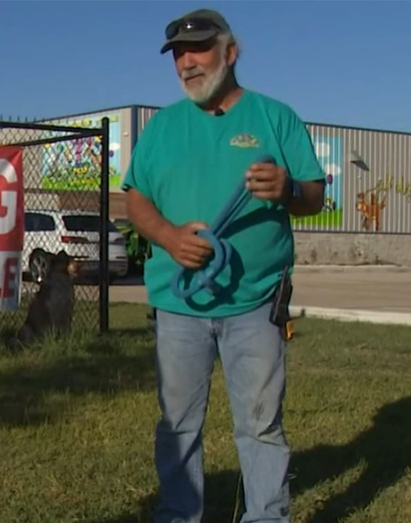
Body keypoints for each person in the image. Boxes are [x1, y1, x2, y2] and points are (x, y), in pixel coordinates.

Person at [121, 8, 327, 523]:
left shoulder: (275, 118)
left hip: (256, 303)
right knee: (178, 423)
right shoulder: (163, 127)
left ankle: (265, 517)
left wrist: (288, 190)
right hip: (178, 303)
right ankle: (178, 515)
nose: (187, 63)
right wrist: (168, 237)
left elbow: (314, 195)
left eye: (198, 50)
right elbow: (136, 202)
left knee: (259, 424)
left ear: (230, 53)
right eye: (178, 55)